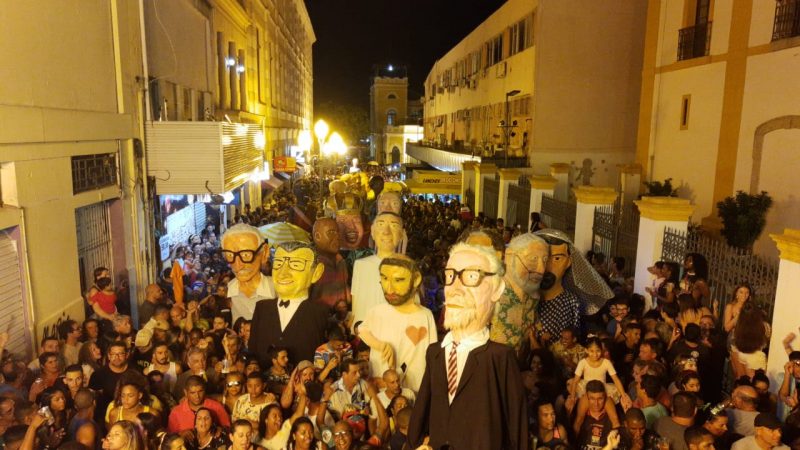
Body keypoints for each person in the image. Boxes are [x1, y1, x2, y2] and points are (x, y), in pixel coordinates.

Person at [408, 242, 527, 450]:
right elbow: (421, 414)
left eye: (471, 277)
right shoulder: (435, 353)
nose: (455, 289)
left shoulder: (500, 358)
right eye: (450, 276)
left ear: (497, 290)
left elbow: (516, 427)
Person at [358, 255, 437, 391]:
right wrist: (380, 345)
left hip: (414, 389)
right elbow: (362, 330)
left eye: (398, 280)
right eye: (384, 278)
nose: (389, 288)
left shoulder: (425, 315)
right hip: (382, 387)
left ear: (416, 279)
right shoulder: (377, 312)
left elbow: (432, 353)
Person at [249, 241, 329, 366]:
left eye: (295, 265)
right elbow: (253, 349)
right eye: (278, 264)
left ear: (316, 273)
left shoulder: (320, 313)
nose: (283, 273)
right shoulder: (262, 308)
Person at [490, 233, 548, 352]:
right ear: (509, 256)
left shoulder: (534, 296)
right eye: (533, 259)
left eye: (545, 260)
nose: (541, 269)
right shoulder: (492, 290)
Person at [351, 212, 405, 326]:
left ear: (401, 235)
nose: (386, 232)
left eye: (394, 226)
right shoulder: (360, 265)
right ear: (372, 231)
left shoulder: (407, 268)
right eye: (381, 225)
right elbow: (356, 301)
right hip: (364, 333)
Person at [221, 224, 276, 323]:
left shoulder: (277, 290)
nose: (238, 265)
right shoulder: (228, 292)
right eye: (229, 255)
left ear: (264, 253)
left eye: (246, 255)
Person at [309, 218, 351, 308]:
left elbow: (346, 291)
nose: (337, 237)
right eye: (331, 232)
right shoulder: (310, 264)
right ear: (317, 236)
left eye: (338, 232)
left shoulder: (341, 262)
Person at [576, 380, 615, 450]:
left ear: (605, 397)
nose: (596, 403)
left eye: (600, 399)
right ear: (587, 397)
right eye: (592, 398)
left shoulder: (611, 415)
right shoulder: (581, 415)